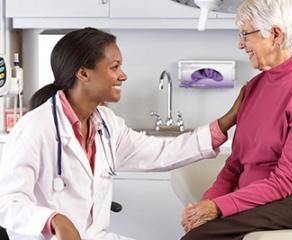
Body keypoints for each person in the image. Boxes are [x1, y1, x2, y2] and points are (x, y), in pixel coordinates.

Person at [0, 27, 247, 240]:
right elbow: (7, 204)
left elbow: (162, 153)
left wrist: (227, 121)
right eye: (114, 67)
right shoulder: (36, 127)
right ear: (83, 73)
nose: (123, 75)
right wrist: (54, 219)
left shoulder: (106, 124)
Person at [181, 0, 292, 239]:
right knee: (201, 227)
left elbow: (286, 181)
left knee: (202, 237)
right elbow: (235, 165)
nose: (240, 44)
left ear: (276, 34)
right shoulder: (255, 86)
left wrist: (218, 207)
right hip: (265, 194)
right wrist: (207, 202)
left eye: (246, 34)